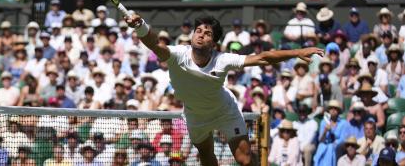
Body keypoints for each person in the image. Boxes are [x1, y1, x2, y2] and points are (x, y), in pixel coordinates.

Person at [125, 13, 323, 165]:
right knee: (207, 158)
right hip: (195, 116)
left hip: (225, 111)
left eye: (207, 33)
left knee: (244, 159)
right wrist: (141, 27)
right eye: (199, 31)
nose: (201, 35)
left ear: (214, 43)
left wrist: (297, 52)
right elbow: (155, 46)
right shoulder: (178, 54)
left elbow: (263, 57)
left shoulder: (222, 60)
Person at [314, 100, 347, 166]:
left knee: (330, 148)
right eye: (331, 108)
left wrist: (334, 141)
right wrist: (325, 131)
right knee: (322, 147)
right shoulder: (324, 122)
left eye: (335, 108)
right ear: (329, 110)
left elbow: (343, 138)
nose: (333, 110)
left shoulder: (343, 123)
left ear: (338, 111)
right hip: (324, 145)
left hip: (337, 145)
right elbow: (320, 140)